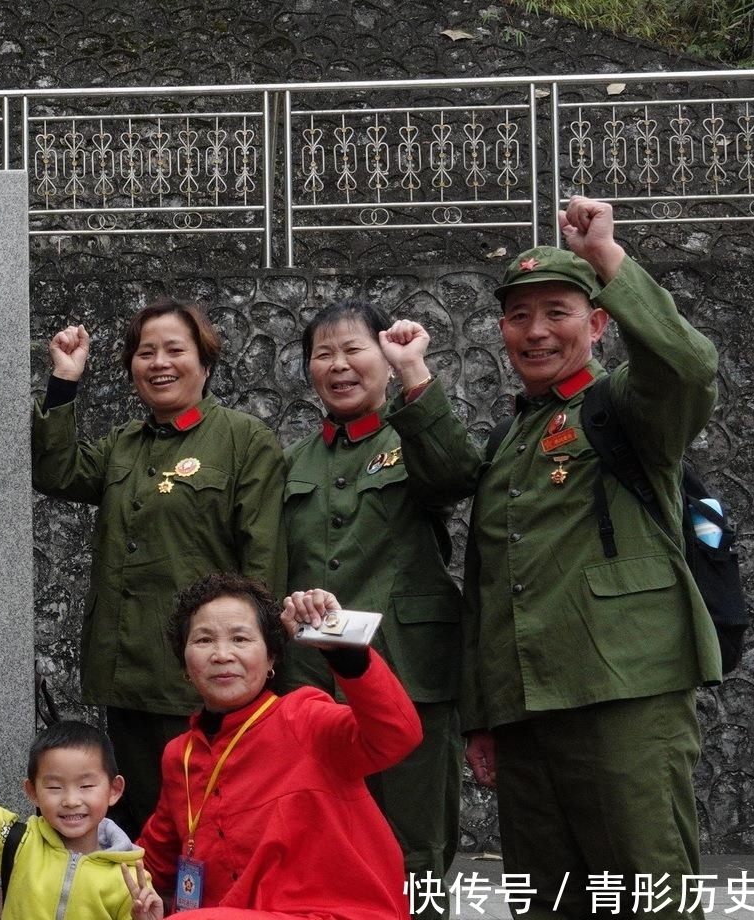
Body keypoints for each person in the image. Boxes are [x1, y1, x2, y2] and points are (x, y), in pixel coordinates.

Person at [462, 196, 720, 919]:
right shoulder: (510, 441)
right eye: (519, 316)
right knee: (547, 900)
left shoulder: (628, 409)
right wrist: (483, 717)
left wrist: (609, 256)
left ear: (599, 322)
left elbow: (689, 369)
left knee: (649, 892)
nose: (537, 331)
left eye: (558, 311)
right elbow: (488, 584)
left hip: (624, 692)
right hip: (526, 710)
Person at [32, 301, 286, 833]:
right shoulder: (123, 445)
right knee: (146, 825)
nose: (159, 362)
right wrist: (64, 381)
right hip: (126, 669)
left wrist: (256, 661)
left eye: (175, 349)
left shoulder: (243, 440)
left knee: (205, 821)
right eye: (145, 352)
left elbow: (261, 560)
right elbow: (57, 472)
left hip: (198, 675)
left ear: (206, 363)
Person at [280, 302, 478, 910]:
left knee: (414, 844)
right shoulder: (292, 462)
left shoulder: (410, 436)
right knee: (320, 835)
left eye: (354, 350)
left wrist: (416, 374)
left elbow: (456, 475)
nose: (339, 365)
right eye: (323, 354)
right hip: (314, 682)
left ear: (384, 362)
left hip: (408, 673)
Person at [137, 576, 421, 919]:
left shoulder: (304, 717)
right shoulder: (179, 757)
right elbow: (149, 863)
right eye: (203, 640)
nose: (222, 654)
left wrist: (340, 638)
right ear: (184, 665)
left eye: (240, 638)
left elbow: (398, 735)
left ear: (271, 658)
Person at [0, 678, 162, 920]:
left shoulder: (131, 878)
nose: (71, 800)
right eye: (54, 786)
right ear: (32, 792)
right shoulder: (19, 844)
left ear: (114, 789)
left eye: (86, 785)